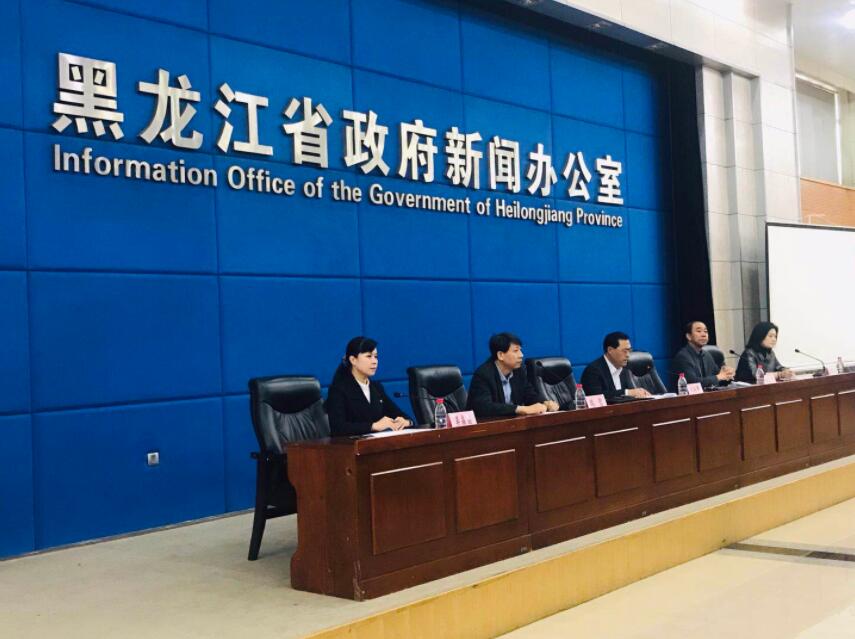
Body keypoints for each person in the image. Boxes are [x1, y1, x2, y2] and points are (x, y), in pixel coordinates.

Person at [325, 336, 412, 436]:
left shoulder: (377, 388)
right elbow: (338, 428)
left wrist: (406, 422)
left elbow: (399, 414)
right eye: (369, 356)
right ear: (353, 360)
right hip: (350, 444)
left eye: (376, 356)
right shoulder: (338, 389)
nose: (374, 361)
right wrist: (373, 426)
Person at [467, 332, 559, 418]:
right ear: (501, 355)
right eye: (516, 351)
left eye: (520, 350)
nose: (521, 355)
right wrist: (521, 409)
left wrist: (545, 403)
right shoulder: (483, 374)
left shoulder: (519, 370)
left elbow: (529, 395)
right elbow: (484, 407)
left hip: (512, 423)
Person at [580, 331, 652, 400]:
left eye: (629, 350)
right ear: (610, 350)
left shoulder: (627, 368)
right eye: (624, 351)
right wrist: (627, 393)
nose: (628, 355)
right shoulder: (593, 371)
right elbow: (596, 397)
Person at [671, 321, 734, 389]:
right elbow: (692, 382)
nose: (704, 335)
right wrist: (718, 377)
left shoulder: (707, 355)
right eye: (699, 331)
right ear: (689, 336)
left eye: (705, 331)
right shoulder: (683, 357)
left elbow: (718, 377)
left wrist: (728, 375)